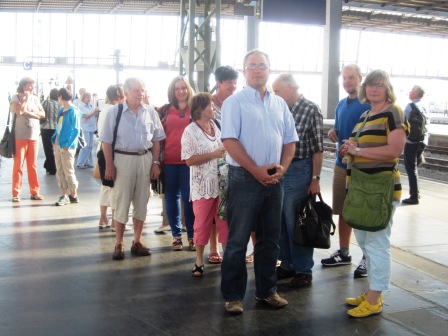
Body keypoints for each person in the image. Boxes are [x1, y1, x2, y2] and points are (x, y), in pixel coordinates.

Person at [220, 50, 298, 314]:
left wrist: (283, 169)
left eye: (261, 66)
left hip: (275, 178)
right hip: (245, 178)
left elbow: (290, 141)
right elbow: (229, 141)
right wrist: (255, 170)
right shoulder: (235, 102)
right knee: (238, 240)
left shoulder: (280, 104)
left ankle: (267, 292)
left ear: (269, 70)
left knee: (270, 241)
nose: (256, 70)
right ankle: (232, 296)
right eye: (251, 66)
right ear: (244, 72)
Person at [339, 69, 408, 318]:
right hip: (360, 187)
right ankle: (371, 291)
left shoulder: (393, 112)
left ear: (387, 88)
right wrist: (349, 149)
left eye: (379, 85)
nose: (374, 89)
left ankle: (375, 299)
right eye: (370, 85)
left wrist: (359, 152)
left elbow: (395, 150)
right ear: (364, 88)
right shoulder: (367, 114)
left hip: (380, 190)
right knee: (367, 242)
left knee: (378, 244)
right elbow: (360, 148)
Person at [100, 77, 165, 260]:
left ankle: (137, 241)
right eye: (136, 90)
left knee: (141, 202)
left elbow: (157, 140)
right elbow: (106, 141)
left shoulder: (151, 112)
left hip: (145, 159)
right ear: (126, 93)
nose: (140, 93)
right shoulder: (115, 112)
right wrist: (110, 165)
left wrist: (155, 163)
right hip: (123, 160)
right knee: (121, 202)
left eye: (142, 90)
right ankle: (119, 243)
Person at [272, 73, 324, 288]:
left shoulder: (311, 109)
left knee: (297, 221)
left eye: (277, 91)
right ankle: (287, 264)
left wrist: (315, 178)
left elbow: (318, 148)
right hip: (279, 170)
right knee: (281, 222)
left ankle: (304, 269)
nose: (275, 95)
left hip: (300, 169)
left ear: (291, 87)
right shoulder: (278, 108)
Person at [321, 64, 371, 278]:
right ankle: (344, 252)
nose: (347, 82)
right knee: (343, 211)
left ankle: (369, 257)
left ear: (361, 78)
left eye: (352, 77)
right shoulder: (341, 104)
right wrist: (334, 131)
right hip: (342, 166)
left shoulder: (368, 104)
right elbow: (341, 129)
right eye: (344, 78)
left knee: (363, 212)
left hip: (361, 168)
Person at [181, 92, 229, 277]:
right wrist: (215, 154)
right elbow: (189, 160)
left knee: (225, 223)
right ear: (200, 109)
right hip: (202, 187)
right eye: (210, 105)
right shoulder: (190, 131)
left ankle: (227, 258)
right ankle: (199, 260)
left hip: (221, 185)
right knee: (202, 224)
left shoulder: (216, 126)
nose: (214, 108)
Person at [156, 76, 196, 251]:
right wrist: (156, 161)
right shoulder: (164, 110)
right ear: (172, 91)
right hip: (169, 162)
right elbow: (157, 137)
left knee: (190, 199)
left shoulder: (196, 110)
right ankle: (176, 236)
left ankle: (193, 235)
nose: (180, 91)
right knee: (171, 198)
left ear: (188, 89)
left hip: (190, 163)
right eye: (177, 88)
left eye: (183, 88)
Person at [208, 65, 238, 264]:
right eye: (229, 82)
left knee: (230, 207)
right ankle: (212, 247)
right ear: (218, 83)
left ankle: (230, 247)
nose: (233, 86)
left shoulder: (238, 101)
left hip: (234, 160)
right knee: (213, 206)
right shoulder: (208, 103)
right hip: (213, 161)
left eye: (235, 82)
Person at [96, 84, 131, 231]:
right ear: (120, 96)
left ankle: (103, 218)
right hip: (112, 152)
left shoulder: (104, 109)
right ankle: (115, 221)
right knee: (115, 188)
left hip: (102, 150)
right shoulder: (116, 110)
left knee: (105, 186)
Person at [10, 77, 46, 202]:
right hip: (19, 135)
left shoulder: (35, 98)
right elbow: (19, 111)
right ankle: (16, 192)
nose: (33, 88)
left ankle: (35, 191)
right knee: (18, 165)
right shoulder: (16, 98)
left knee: (33, 165)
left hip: (34, 135)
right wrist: (24, 100)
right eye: (31, 86)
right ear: (24, 86)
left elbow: (42, 114)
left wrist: (31, 113)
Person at [51, 88, 81, 206]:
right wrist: (54, 139)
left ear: (61, 97)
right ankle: (64, 195)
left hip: (66, 146)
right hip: (58, 143)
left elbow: (76, 130)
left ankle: (73, 195)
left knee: (68, 170)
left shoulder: (73, 111)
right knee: (60, 170)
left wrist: (67, 145)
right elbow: (59, 126)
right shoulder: (61, 110)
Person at [402, 85, 430, 205]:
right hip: (422, 141)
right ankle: (416, 192)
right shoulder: (425, 106)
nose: (409, 92)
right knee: (414, 167)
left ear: (416, 93)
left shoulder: (410, 107)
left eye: (411, 90)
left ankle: (414, 196)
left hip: (411, 142)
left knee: (411, 168)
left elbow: (402, 124)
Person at [41, 88, 60, 175]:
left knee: (48, 149)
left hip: (46, 127)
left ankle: (51, 167)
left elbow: (40, 112)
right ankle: (51, 166)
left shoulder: (46, 102)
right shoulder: (60, 104)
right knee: (55, 148)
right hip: (56, 128)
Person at [76, 92, 98, 168]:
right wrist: (94, 111)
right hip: (85, 128)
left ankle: (86, 161)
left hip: (91, 127)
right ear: (84, 98)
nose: (89, 99)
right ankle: (80, 162)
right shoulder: (81, 106)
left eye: (89, 98)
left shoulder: (90, 106)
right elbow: (86, 116)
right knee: (85, 145)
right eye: (87, 98)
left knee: (90, 146)